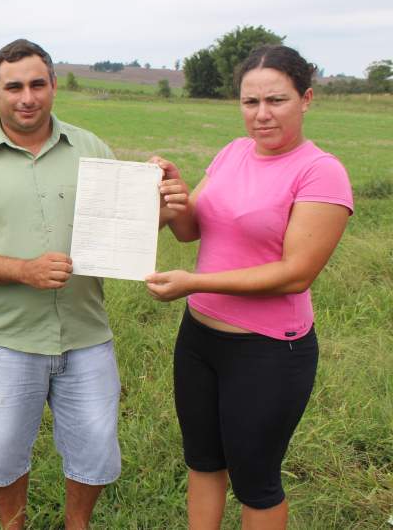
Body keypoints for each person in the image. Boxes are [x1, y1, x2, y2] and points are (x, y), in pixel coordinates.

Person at [0, 38, 186, 530]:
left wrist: (159, 208)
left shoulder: (89, 148)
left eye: (37, 84)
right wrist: (24, 271)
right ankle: (13, 524)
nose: (27, 97)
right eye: (14, 87)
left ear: (52, 86)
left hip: (86, 334)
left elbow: (117, 232)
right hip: (8, 339)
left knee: (95, 446)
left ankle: (78, 524)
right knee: (4, 451)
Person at [146, 45, 353, 530]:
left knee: (256, 480)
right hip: (199, 339)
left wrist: (194, 282)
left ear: (306, 99)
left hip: (267, 352)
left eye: (276, 100)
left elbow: (295, 272)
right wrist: (174, 194)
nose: (261, 115)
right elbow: (193, 229)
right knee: (202, 461)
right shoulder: (233, 152)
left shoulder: (321, 171)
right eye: (249, 102)